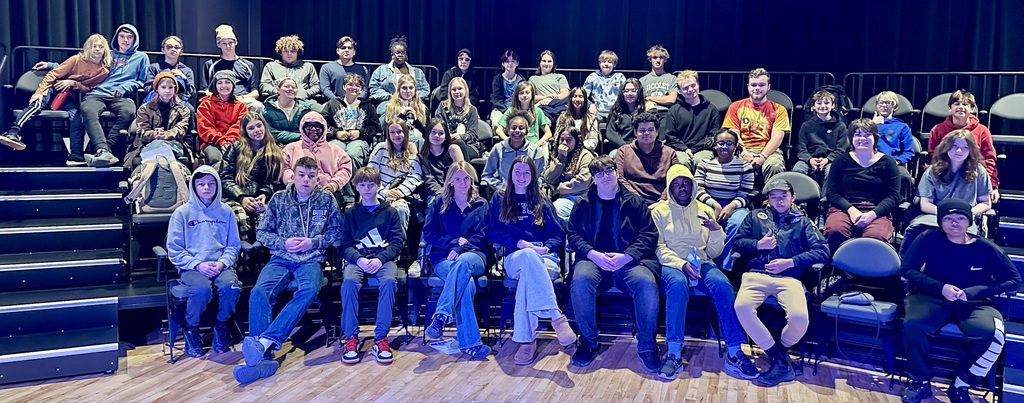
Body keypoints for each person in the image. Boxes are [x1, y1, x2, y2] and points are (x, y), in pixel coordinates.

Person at [899, 198, 1021, 403]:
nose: (954, 223)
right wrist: (940, 287)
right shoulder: (928, 238)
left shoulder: (985, 248)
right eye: (948, 218)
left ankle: (961, 383)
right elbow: (907, 269)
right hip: (932, 296)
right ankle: (920, 381)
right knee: (913, 325)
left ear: (969, 221)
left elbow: (1013, 280)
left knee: (991, 333)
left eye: (960, 218)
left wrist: (974, 291)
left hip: (974, 303)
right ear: (940, 221)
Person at [652, 164, 759, 380]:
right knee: (677, 285)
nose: (682, 188)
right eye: (676, 184)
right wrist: (681, 265)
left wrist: (717, 231)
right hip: (673, 265)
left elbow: (713, 251)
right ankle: (673, 353)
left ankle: (735, 351)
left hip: (703, 262)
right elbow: (658, 248)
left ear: (693, 186)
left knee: (722, 285)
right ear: (669, 188)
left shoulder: (705, 210)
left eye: (686, 184)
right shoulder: (659, 212)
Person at [239, 156, 342, 375]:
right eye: (302, 175)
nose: (306, 180)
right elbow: (263, 233)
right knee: (259, 292)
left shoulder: (327, 199)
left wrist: (312, 242)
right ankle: (263, 357)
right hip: (280, 257)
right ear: (293, 176)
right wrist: (283, 242)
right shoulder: (278, 199)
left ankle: (266, 341)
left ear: (317, 178)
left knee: (310, 289)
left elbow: (337, 231)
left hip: (311, 259)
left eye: (311, 176)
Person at [567, 156, 661, 371]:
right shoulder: (583, 203)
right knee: (580, 281)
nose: (605, 176)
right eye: (599, 173)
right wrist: (592, 254)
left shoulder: (634, 202)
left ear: (616, 172)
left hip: (627, 261)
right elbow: (572, 234)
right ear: (593, 178)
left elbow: (649, 235)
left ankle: (647, 347)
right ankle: (588, 343)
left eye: (608, 171)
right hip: (594, 260)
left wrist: (627, 256)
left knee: (646, 284)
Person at [733, 178, 829, 386]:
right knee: (741, 306)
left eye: (783, 196)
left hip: (789, 277)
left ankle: (780, 353)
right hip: (757, 274)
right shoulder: (754, 217)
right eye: (773, 197)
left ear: (792, 198)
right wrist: (758, 244)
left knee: (799, 318)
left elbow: (822, 251)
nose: (779, 200)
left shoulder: (803, 221)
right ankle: (778, 358)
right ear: (767, 200)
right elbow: (737, 243)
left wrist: (790, 262)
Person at [488, 155, 576, 366]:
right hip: (514, 257)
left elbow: (557, 234)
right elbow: (492, 232)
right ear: (510, 174)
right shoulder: (499, 199)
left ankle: (526, 342)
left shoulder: (542, 201)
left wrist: (546, 248)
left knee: (528, 280)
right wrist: (520, 244)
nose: (521, 176)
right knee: (527, 257)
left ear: (533, 176)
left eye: (526, 172)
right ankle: (556, 316)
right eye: (517, 172)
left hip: (544, 257)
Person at [166, 165, 242, 358]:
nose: (206, 188)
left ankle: (221, 326)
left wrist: (222, 263)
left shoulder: (226, 212)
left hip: (220, 264)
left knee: (231, 288)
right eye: (201, 184)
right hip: (193, 265)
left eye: (210, 184)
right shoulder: (182, 213)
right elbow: (174, 249)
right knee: (201, 290)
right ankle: (191, 329)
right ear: (194, 186)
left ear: (217, 185)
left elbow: (233, 245)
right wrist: (198, 264)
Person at [422, 162, 492, 359]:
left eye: (467, 178)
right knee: (466, 283)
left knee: (462, 264)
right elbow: (429, 234)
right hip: (443, 257)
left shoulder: (482, 204)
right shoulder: (439, 203)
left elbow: (485, 235)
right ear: (450, 181)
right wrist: (451, 242)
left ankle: (441, 315)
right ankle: (471, 344)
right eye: (458, 179)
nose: (463, 183)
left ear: (472, 180)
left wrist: (461, 248)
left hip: (474, 255)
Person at [0, 34, 109, 159]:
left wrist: (74, 83)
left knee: (76, 117)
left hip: (69, 96)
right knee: (37, 104)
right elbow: (53, 74)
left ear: (104, 49)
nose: (97, 49)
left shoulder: (103, 71)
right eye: (94, 46)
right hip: (53, 89)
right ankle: (13, 132)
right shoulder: (76, 59)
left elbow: (90, 88)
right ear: (88, 48)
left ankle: (76, 154)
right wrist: (40, 92)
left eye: (100, 47)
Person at [339, 167, 406, 365]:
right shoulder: (351, 214)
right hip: (358, 259)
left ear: (378, 186)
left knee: (388, 281)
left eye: (371, 184)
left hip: (383, 260)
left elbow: (396, 243)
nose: (367, 188)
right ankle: (351, 338)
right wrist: (359, 259)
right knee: (349, 282)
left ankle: (380, 339)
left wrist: (380, 259)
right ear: (356, 187)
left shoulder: (390, 212)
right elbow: (345, 244)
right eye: (362, 185)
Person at [901, 130, 992, 254]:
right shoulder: (932, 171)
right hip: (935, 216)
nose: (959, 151)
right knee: (916, 229)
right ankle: (908, 269)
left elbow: (986, 203)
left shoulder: (979, 171)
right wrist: (947, 215)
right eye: (955, 146)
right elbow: (925, 204)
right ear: (946, 147)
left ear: (971, 151)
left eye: (965, 147)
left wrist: (967, 214)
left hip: (964, 217)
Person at [823, 118, 902, 253]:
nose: (862, 139)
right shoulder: (840, 161)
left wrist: (872, 214)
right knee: (836, 231)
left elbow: (893, 196)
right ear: (851, 138)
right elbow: (832, 193)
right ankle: (836, 270)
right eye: (857, 135)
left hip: (877, 210)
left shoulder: (888, 162)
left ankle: (865, 273)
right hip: (845, 208)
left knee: (875, 237)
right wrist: (851, 210)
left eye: (867, 135)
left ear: (875, 138)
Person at [79, 24, 148, 167]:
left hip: (122, 96)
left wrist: (126, 86)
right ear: (117, 38)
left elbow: (142, 81)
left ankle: (105, 150)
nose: (126, 40)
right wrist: (50, 65)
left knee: (128, 112)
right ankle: (102, 149)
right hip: (98, 93)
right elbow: (78, 64)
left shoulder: (141, 57)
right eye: (122, 36)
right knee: (87, 109)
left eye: (130, 37)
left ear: (135, 39)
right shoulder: (107, 53)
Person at [694, 128, 755, 271]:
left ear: (735, 147)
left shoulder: (744, 166)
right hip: (709, 203)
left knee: (738, 221)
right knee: (702, 219)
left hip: (735, 206)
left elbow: (745, 195)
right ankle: (703, 259)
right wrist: (715, 205)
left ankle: (723, 265)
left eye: (729, 144)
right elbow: (698, 190)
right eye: (721, 143)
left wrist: (731, 206)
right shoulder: (704, 164)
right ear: (715, 145)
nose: (724, 147)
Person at [219, 112, 285, 241]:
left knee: (269, 216)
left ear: (264, 126)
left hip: (261, 198)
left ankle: (263, 254)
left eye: (259, 126)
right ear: (245, 131)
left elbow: (274, 181)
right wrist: (242, 197)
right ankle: (244, 255)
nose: (257, 130)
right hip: (235, 197)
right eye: (251, 128)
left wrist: (264, 193)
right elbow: (225, 178)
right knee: (241, 217)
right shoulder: (235, 148)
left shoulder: (275, 151)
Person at [928, 90, 1000, 202]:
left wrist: (992, 186)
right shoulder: (938, 129)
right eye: (956, 104)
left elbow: (989, 160)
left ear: (972, 109)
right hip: (946, 177)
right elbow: (933, 157)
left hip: (972, 178)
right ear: (950, 109)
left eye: (965, 104)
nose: (961, 107)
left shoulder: (982, 131)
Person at [722, 68, 790, 180]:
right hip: (742, 150)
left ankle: (770, 197)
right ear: (748, 86)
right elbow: (733, 135)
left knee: (775, 166)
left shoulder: (779, 109)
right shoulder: (735, 107)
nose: (757, 88)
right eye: (754, 85)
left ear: (768, 87)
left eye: (761, 85)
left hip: (769, 151)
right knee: (732, 165)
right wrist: (744, 153)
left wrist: (763, 156)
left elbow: (778, 137)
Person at [321, 73, 379, 205]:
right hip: (337, 139)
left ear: (361, 89)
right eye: (350, 84)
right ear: (344, 86)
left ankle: (349, 196)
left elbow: (375, 128)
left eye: (357, 85)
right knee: (337, 153)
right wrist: (336, 133)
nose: (354, 87)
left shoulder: (368, 106)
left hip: (359, 141)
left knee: (352, 155)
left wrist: (360, 132)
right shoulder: (333, 103)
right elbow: (322, 124)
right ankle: (336, 190)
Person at [124, 71, 193, 168]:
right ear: (157, 89)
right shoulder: (145, 108)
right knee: (158, 146)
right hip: (149, 143)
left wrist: (165, 135)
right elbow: (142, 132)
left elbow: (181, 130)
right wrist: (154, 134)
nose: (167, 91)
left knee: (160, 146)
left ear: (175, 89)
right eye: (163, 87)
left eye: (170, 87)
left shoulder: (183, 110)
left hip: (174, 144)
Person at [282, 113, 353, 203]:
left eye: (317, 126)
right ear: (302, 128)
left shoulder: (336, 150)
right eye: (309, 126)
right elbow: (284, 168)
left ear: (324, 129)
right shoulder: (290, 148)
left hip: (329, 193)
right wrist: (294, 182)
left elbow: (346, 168)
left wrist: (334, 184)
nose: (313, 129)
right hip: (297, 193)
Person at [368, 119, 424, 230]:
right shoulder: (380, 148)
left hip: (399, 195)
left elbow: (415, 177)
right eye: (392, 132)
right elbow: (370, 173)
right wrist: (384, 192)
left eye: (399, 131)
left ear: (405, 132)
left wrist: (398, 192)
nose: (396, 135)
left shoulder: (411, 152)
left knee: (401, 210)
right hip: (378, 193)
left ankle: (397, 244)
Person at [661, 70, 721, 170]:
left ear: (698, 85)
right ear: (679, 91)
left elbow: (714, 134)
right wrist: (685, 149)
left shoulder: (711, 109)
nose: (690, 90)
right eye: (685, 88)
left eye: (693, 85)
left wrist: (694, 150)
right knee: (683, 161)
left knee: (700, 160)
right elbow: (670, 136)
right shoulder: (674, 110)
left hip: (704, 149)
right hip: (680, 150)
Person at [614, 112, 678, 205]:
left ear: (657, 132)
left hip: (663, 202)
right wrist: (637, 200)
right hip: (632, 200)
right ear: (635, 132)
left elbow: (674, 179)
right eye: (642, 130)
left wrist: (663, 200)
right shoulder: (623, 152)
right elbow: (620, 178)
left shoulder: (670, 153)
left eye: (650, 130)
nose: (646, 133)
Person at [794, 90, 849, 189]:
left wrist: (827, 160)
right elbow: (801, 148)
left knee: (831, 170)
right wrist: (810, 160)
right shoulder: (806, 126)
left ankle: (825, 201)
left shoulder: (840, 126)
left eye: (826, 103)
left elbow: (841, 149)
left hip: (831, 160)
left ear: (833, 106)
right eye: (819, 103)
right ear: (813, 106)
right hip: (809, 159)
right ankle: (798, 200)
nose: (822, 106)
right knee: (798, 169)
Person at [202, 24, 262, 112]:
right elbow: (205, 91)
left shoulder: (248, 65)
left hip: (242, 100)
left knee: (258, 106)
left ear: (236, 43)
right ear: (219, 44)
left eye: (230, 42)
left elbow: (255, 92)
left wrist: (241, 98)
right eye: (224, 43)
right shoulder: (210, 65)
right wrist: (221, 98)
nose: (228, 46)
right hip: (218, 100)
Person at [482, 110, 546, 193]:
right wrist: (501, 187)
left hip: (528, 193)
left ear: (526, 131)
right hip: (505, 193)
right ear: (508, 130)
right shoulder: (498, 148)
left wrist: (529, 188)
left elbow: (540, 176)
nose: (517, 130)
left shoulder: (535, 150)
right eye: (514, 127)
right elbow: (487, 175)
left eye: (521, 128)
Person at [541, 127, 594, 224]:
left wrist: (559, 188)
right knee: (546, 213)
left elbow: (582, 182)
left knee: (553, 214)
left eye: (568, 140)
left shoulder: (586, 156)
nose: (564, 143)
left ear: (576, 141)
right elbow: (548, 179)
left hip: (579, 197)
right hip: (561, 197)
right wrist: (561, 160)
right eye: (562, 140)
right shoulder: (558, 155)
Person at [197, 70, 249, 166]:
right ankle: (219, 180)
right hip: (212, 142)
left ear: (233, 85)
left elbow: (240, 126)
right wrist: (221, 141)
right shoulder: (205, 104)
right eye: (220, 83)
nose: (224, 86)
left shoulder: (241, 106)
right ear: (215, 86)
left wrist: (229, 141)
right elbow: (206, 128)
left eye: (227, 82)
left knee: (242, 158)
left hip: (234, 141)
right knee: (217, 159)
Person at [369, 36, 430, 116]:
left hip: (413, 102)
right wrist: (391, 97)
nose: (400, 55)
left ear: (406, 55)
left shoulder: (418, 72)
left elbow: (425, 90)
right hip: (388, 101)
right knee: (387, 110)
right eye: (397, 53)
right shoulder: (381, 70)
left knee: (422, 110)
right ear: (392, 55)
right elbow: (374, 88)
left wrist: (412, 96)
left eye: (403, 52)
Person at [872, 91, 916, 199]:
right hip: (870, 161)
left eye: (888, 103)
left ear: (894, 106)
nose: (883, 105)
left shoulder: (902, 126)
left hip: (893, 162)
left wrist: (898, 161)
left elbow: (909, 151)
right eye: (881, 102)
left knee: (904, 177)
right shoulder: (869, 124)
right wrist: (872, 125)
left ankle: (901, 208)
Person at [260, 35, 321, 110]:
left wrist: (306, 93)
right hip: (277, 102)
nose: (289, 54)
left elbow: (316, 86)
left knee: (321, 111)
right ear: (280, 52)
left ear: (297, 52)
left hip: (304, 101)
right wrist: (278, 91)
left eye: (292, 51)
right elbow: (264, 85)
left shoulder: (308, 66)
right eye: (285, 51)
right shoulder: (271, 66)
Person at [434, 77, 487, 160]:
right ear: (450, 92)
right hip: (447, 143)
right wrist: (448, 136)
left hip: (469, 145)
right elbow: (437, 125)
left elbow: (473, 134)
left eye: (460, 89)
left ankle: (465, 170)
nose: (457, 92)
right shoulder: (443, 106)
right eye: (454, 89)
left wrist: (461, 137)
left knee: (458, 144)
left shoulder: (472, 110)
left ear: (465, 90)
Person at [494, 82, 553, 151]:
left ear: (532, 95)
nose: (524, 95)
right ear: (517, 95)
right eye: (521, 93)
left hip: (532, 148)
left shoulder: (538, 111)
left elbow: (548, 133)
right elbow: (499, 130)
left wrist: (536, 145)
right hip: (515, 147)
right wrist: (509, 142)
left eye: (527, 92)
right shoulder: (511, 111)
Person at [142, 35, 195, 107]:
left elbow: (191, 92)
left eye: (176, 47)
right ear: (163, 50)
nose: (173, 49)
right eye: (169, 47)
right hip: (157, 100)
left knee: (190, 109)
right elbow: (147, 89)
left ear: (181, 52)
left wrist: (184, 78)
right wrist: (160, 79)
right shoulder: (154, 67)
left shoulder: (187, 70)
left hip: (179, 101)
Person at [420, 119, 465, 202]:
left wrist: (452, 193)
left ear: (445, 137)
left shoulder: (453, 149)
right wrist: (443, 194)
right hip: (435, 194)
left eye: (441, 133)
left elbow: (462, 174)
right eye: (433, 132)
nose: (437, 135)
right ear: (428, 134)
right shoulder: (422, 155)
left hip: (456, 190)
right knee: (437, 202)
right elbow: (429, 181)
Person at [381, 74, 428, 150]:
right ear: (399, 90)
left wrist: (416, 120)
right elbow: (387, 129)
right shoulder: (391, 106)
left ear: (415, 90)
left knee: (421, 141)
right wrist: (401, 115)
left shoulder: (421, 107)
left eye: (411, 88)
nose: (408, 91)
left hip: (416, 138)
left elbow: (425, 132)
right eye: (404, 88)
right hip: (397, 139)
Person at [262, 77, 313, 144]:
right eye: (286, 86)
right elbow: (270, 133)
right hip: (275, 145)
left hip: (301, 144)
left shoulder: (305, 109)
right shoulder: (267, 109)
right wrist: (298, 136)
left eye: (293, 87)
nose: (290, 89)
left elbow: (308, 131)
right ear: (278, 89)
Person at [319, 36, 370, 101]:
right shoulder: (327, 68)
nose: (346, 50)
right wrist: (338, 102)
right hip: (333, 104)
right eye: (343, 48)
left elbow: (365, 90)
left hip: (357, 104)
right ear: (337, 51)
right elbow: (325, 89)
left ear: (354, 52)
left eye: (350, 48)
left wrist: (355, 101)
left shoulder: (362, 69)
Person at [582, 50, 625, 121]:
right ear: (599, 63)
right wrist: (590, 105)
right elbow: (583, 95)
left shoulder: (620, 77)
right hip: (597, 112)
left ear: (614, 65)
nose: (606, 64)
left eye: (610, 62)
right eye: (604, 62)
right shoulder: (592, 77)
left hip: (615, 111)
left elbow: (625, 94)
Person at [605, 78, 647, 151]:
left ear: (639, 92)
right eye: (626, 91)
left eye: (633, 90)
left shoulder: (646, 109)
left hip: (642, 148)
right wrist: (626, 147)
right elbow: (611, 133)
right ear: (622, 93)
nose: (629, 93)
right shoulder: (616, 110)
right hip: (620, 148)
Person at [529, 50, 570, 121]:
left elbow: (565, 93)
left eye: (549, 61)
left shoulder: (560, 76)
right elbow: (531, 97)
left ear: (553, 63)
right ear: (539, 63)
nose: (546, 63)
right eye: (544, 61)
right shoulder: (533, 79)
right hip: (543, 106)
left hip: (559, 104)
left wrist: (551, 100)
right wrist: (545, 98)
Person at [555, 87, 599, 151]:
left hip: (585, 151)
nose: (577, 99)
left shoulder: (591, 118)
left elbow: (593, 141)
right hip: (566, 150)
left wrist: (576, 146)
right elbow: (557, 138)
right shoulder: (563, 117)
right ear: (570, 99)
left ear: (585, 99)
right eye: (575, 96)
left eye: (580, 96)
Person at [489, 50, 524, 129]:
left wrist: (515, 111)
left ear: (517, 63)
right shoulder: (498, 79)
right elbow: (496, 99)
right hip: (500, 109)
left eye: (513, 61)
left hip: (517, 110)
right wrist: (506, 112)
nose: (510, 63)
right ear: (503, 63)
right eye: (507, 61)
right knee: (497, 124)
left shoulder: (521, 80)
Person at [639, 45, 677, 116]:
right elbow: (641, 101)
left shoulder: (672, 78)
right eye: (655, 57)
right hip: (648, 115)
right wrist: (663, 99)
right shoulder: (642, 80)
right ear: (650, 60)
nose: (658, 60)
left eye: (661, 57)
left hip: (666, 113)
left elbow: (672, 99)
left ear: (665, 60)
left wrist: (649, 98)